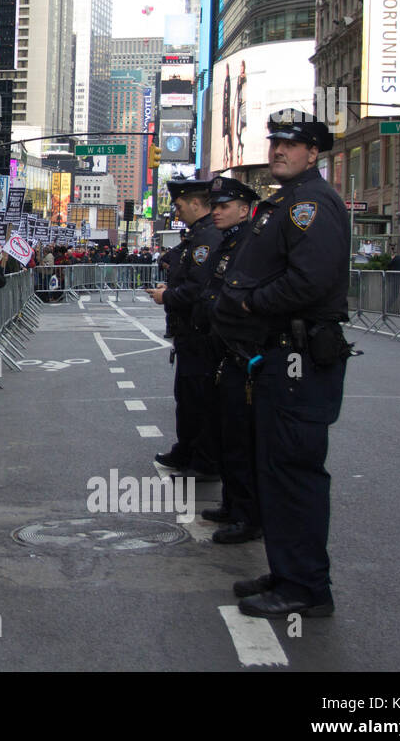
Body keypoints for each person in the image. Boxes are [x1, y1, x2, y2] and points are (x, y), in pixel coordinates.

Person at [214, 110, 351, 619]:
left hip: (298, 359)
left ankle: (307, 587)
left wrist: (251, 304)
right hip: (278, 359)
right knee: (277, 468)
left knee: (294, 470)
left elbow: (310, 282)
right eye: (274, 143)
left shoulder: (312, 204)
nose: (278, 151)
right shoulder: (288, 203)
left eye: (291, 145)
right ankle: (289, 570)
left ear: (313, 153)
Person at [195, 176, 262, 545]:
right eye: (214, 205)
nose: (215, 211)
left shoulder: (251, 243)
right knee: (226, 432)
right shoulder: (229, 242)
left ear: (243, 208)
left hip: (239, 349)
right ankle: (233, 503)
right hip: (220, 346)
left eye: (223, 206)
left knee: (241, 437)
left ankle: (247, 514)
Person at [146, 179, 222, 480]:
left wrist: (168, 295)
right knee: (187, 396)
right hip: (190, 330)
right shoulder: (199, 235)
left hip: (200, 331)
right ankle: (187, 450)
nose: (177, 212)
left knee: (200, 399)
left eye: (179, 206)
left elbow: (197, 287)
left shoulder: (207, 238)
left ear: (195, 203)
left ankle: (203, 461)